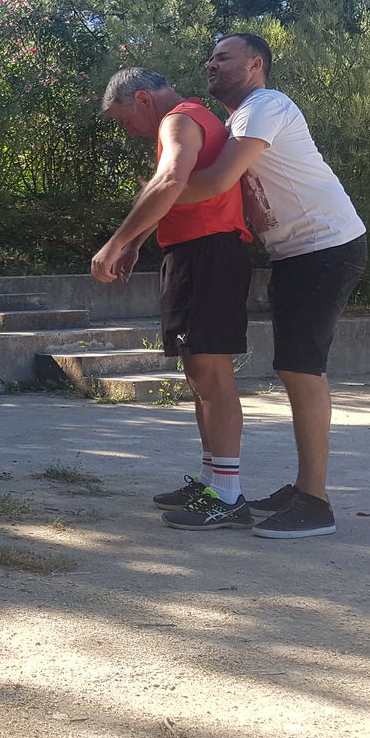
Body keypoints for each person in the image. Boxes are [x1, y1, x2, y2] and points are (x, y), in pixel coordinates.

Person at [105, 33, 369, 539]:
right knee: (290, 367)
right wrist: (149, 216)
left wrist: (147, 208)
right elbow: (201, 188)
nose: (211, 64)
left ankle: (314, 501)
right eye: (210, 57)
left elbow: (212, 184)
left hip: (326, 246)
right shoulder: (233, 120)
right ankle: (279, 488)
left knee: (301, 369)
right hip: (295, 252)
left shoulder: (264, 106)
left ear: (256, 64)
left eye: (223, 57)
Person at [91, 68, 254, 531]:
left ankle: (226, 494)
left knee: (211, 372)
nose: (129, 131)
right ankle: (212, 482)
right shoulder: (193, 118)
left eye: (125, 120)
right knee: (199, 370)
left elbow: (168, 183)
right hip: (197, 251)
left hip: (207, 252)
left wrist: (117, 242)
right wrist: (141, 239)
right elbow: (173, 191)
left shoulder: (178, 119)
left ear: (143, 98)